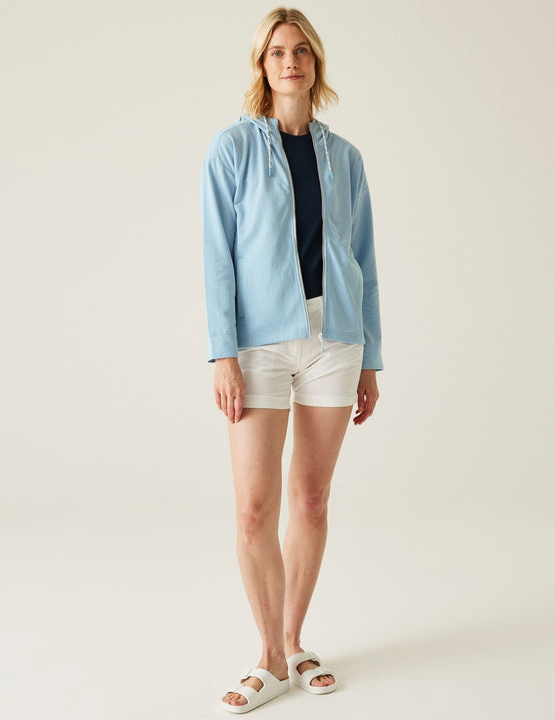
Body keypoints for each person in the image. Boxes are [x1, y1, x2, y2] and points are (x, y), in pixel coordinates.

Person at [200, 6, 383, 714]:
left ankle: (294, 641)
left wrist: (371, 357)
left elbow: (364, 260)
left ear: (316, 62)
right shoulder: (232, 150)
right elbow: (217, 258)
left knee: (310, 499)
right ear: (262, 65)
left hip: (336, 340)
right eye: (277, 52)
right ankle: (269, 659)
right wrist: (223, 354)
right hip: (258, 344)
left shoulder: (347, 158)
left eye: (301, 50)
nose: (291, 62)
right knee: (254, 510)